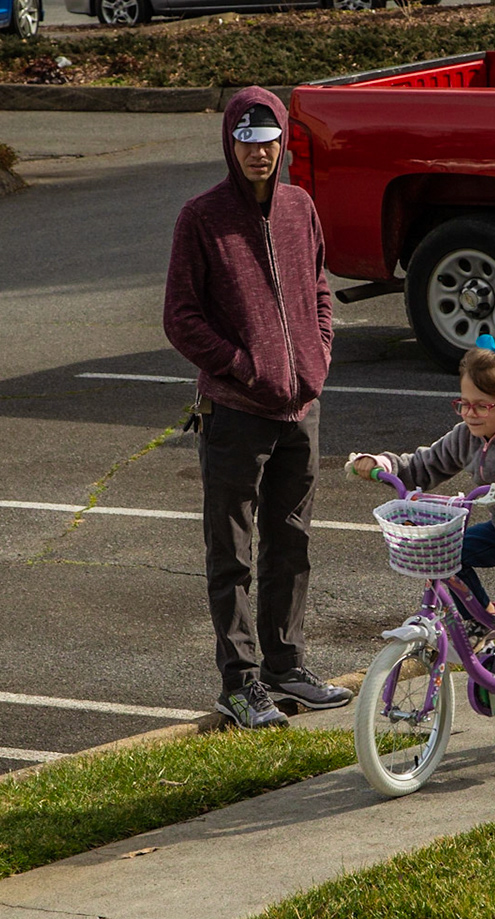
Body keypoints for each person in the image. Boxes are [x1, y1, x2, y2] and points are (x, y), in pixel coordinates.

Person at [163, 86, 352, 730]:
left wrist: (316, 360)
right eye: (245, 143)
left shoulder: (301, 209)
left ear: (283, 144)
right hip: (236, 413)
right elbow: (181, 320)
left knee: (291, 544)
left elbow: (321, 289)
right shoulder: (202, 219)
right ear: (230, 146)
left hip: (302, 409)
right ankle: (239, 682)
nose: (258, 154)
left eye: (267, 141)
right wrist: (245, 368)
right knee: (232, 553)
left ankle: (285, 665)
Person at [347, 342, 495, 735]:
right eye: (463, 403)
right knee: (444, 553)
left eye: (481, 405)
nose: (470, 413)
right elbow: (425, 465)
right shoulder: (468, 434)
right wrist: (382, 464)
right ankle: (481, 621)